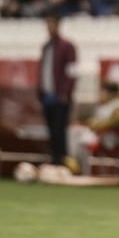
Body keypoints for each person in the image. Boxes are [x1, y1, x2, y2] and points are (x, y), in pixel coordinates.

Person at [38, 14, 76, 166]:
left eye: (51, 23)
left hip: (60, 97)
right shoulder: (46, 46)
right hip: (47, 95)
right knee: (51, 131)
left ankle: (62, 160)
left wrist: (66, 92)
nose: (49, 27)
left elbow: (72, 72)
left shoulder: (67, 47)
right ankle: (54, 158)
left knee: (60, 130)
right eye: (47, 24)